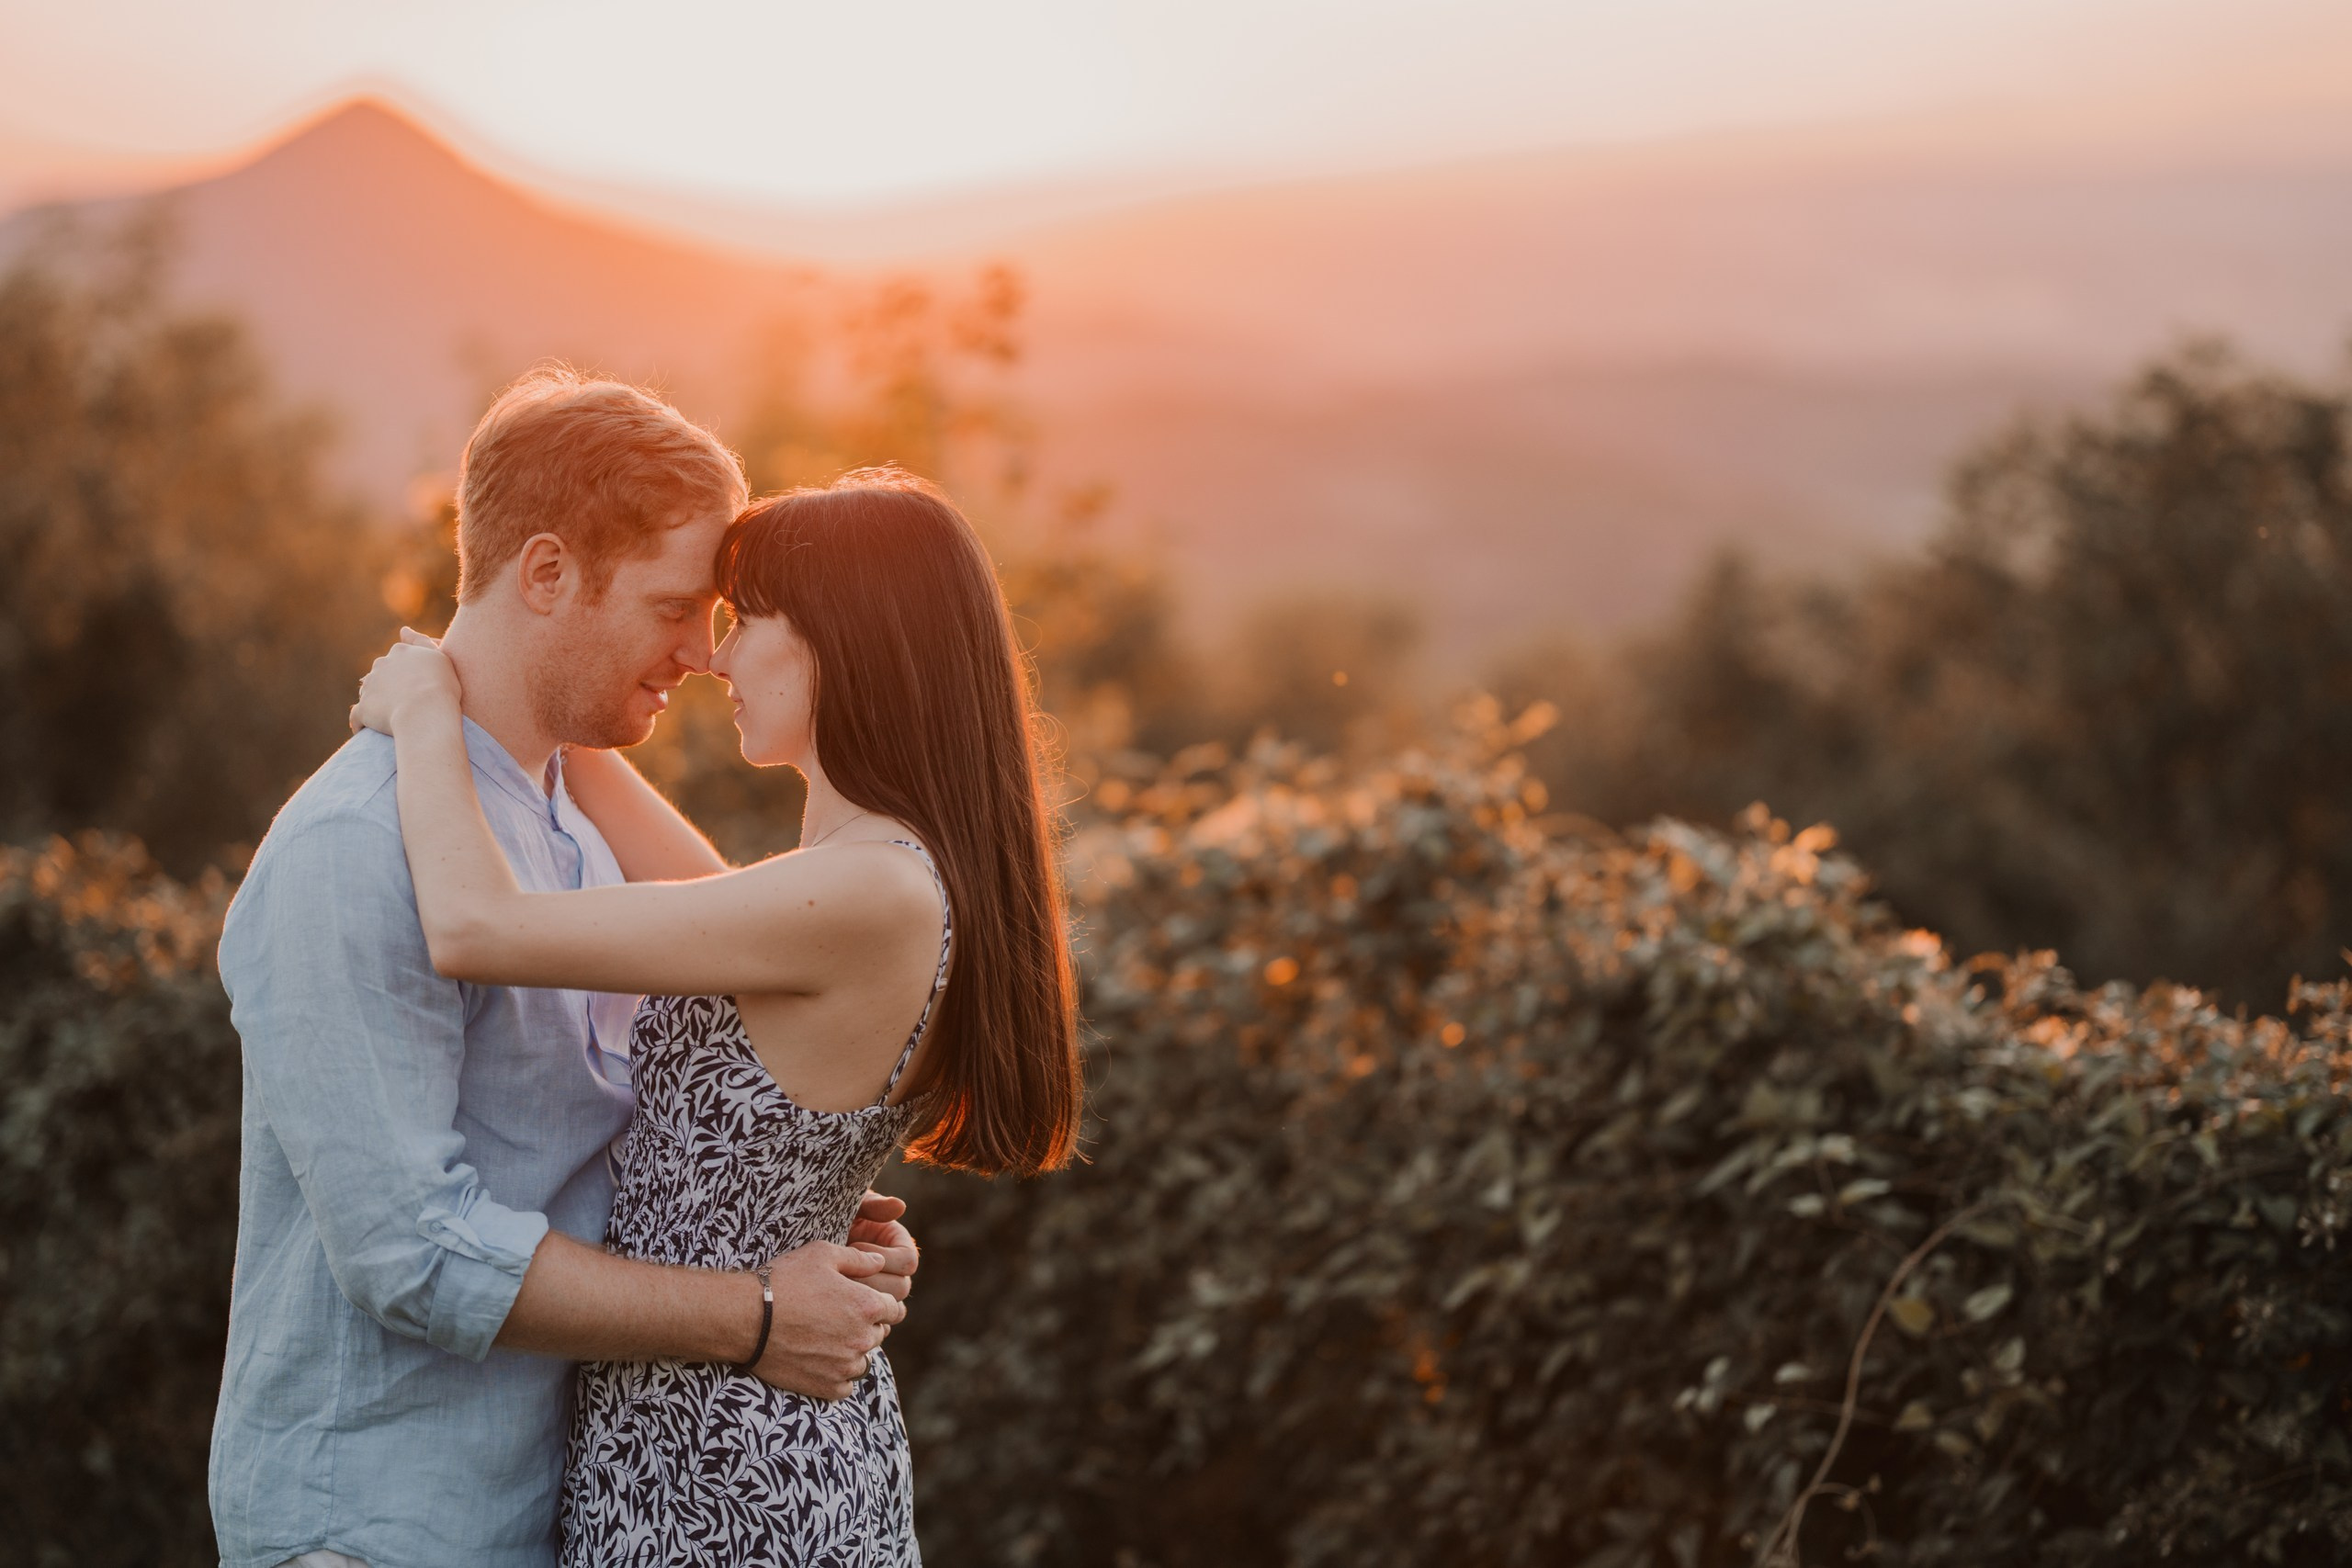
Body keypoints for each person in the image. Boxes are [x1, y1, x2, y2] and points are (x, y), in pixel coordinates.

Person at [211, 371, 922, 1568]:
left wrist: (788, 1209)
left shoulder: (569, 829)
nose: (702, 652)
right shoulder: (355, 846)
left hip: (548, 1510)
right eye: (671, 606)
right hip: (378, 1529)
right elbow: (412, 1250)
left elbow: (602, 1137)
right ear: (545, 574)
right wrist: (752, 1318)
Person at [350, 468, 1082, 1565]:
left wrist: (421, 714)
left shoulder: (865, 891)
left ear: (849, 640)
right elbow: (683, 876)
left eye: (748, 620)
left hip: (727, 1473)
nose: (713, 656)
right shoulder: (854, 877)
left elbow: (474, 929)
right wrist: (527, 659)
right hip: (715, 1444)